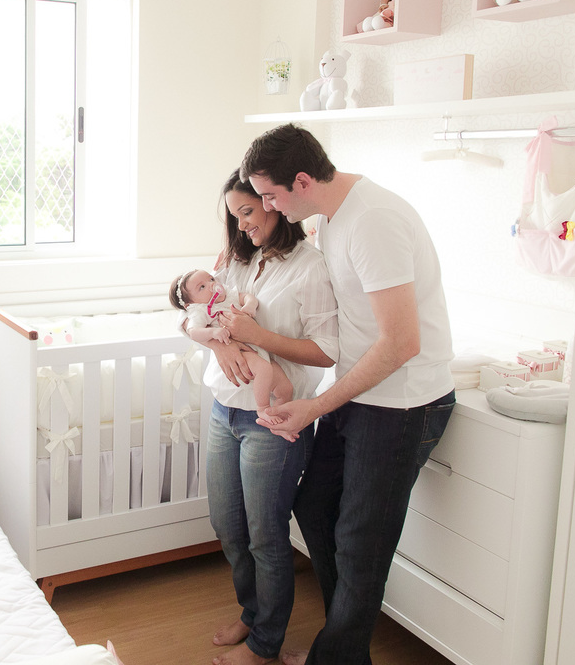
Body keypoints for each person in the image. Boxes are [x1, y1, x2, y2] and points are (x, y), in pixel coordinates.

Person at [239, 124, 456, 665]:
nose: (265, 207)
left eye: (269, 195)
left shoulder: (372, 222)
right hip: (364, 394)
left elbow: (402, 343)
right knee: (314, 505)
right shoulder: (333, 217)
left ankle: (335, 656)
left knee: (361, 545)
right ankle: (345, 647)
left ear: (303, 180)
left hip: (405, 403)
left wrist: (317, 404)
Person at [192, 170, 339, 665]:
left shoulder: (310, 267)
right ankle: (252, 613)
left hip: (273, 418)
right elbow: (197, 314)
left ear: (274, 202)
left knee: (265, 533)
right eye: (235, 216)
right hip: (224, 409)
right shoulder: (234, 260)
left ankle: (265, 644)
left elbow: (325, 352)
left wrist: (256, 337)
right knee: (228, 525)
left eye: (248, 212)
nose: (242, 224)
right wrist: (224, 342)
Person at [169, 268, 296, 442]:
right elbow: (194, 331)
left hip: (259, 349)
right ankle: (263, 408)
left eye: (211, 279)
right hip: (242, 351)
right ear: (189, 304)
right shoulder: (201, 310)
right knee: (264, 370)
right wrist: (213, 333)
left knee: (286, 388)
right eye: (202, 287)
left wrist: (249, 305)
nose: (212, 285)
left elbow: (247, 297)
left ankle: (280, 422)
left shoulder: (228, 295)